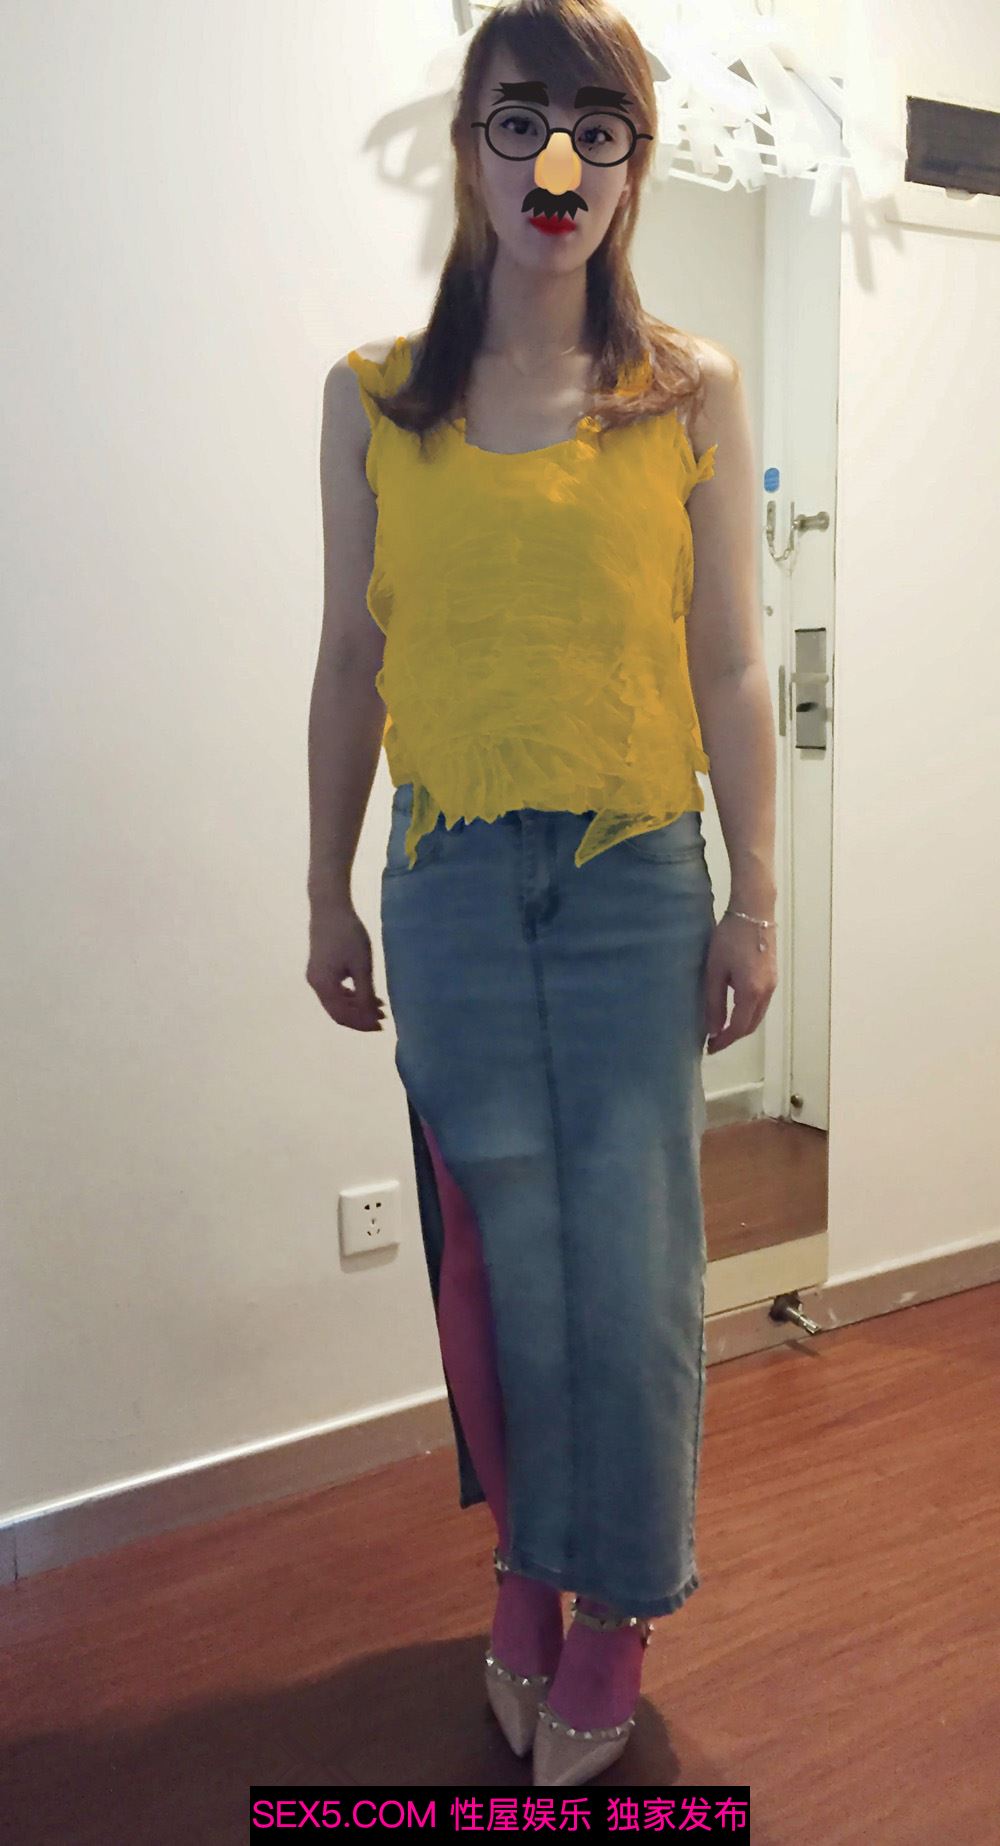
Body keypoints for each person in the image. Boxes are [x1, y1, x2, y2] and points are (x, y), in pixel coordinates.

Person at [307, 0, 777, 1788]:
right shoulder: (375, 398)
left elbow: (730, 663)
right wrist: (326, 888)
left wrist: (755, 896)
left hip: (635, 877)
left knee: (627, 1262)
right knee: (493, 1263)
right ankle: (524, 1562)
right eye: (521, 121)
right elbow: (350, 661)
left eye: (599, 125)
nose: (558, 161)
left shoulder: (687, 390)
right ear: (471, 148)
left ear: (634, 162)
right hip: (443, 878)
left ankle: (620, 1602)